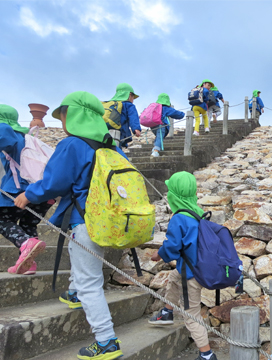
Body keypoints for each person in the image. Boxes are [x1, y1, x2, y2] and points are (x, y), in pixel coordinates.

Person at [14, 91, 126, 359]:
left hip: (83, 220)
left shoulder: (73, 144)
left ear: (74, 115)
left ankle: (106, 340)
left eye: (63, 115)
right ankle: (75, 294)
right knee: (87, 268)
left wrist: (28, 195)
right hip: (110, 221)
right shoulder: (112, 146)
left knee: (90, 282)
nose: (62, 121)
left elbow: (55, 182)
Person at [148, 171, 218, 360]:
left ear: (174, 195)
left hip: (191, 276)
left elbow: (172, 246)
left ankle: (206, 354)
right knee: (172, 278)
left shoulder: (180, 218)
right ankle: (167, 311)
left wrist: (159, 255)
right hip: (194, 269)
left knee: (191, 314)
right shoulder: (198, 213)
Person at [0, 104, 52, 275]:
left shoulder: (8, 133)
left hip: (19, 190)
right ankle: (28, 264)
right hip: (43, 191)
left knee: (2, 220)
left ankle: (24, 243)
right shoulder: (29, 139)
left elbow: (3, 132)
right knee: (29, 224)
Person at [151, 93, 185, 157]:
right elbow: (177, 114)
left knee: (159, 136)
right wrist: (183, 114)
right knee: (160, 136)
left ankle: (155, 147)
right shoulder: (165, 108)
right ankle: (155, 151)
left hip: (152, 125)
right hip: (161, 125)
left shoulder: (154, 107)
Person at [109, 83, 141, 148]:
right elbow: (133, 117)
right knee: (117, 150)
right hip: (120, 132)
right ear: (129, 95)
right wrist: (136, 129)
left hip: (106, 132)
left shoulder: (110, 104)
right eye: (133, 97)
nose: (133, 100)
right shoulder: (129, 105)